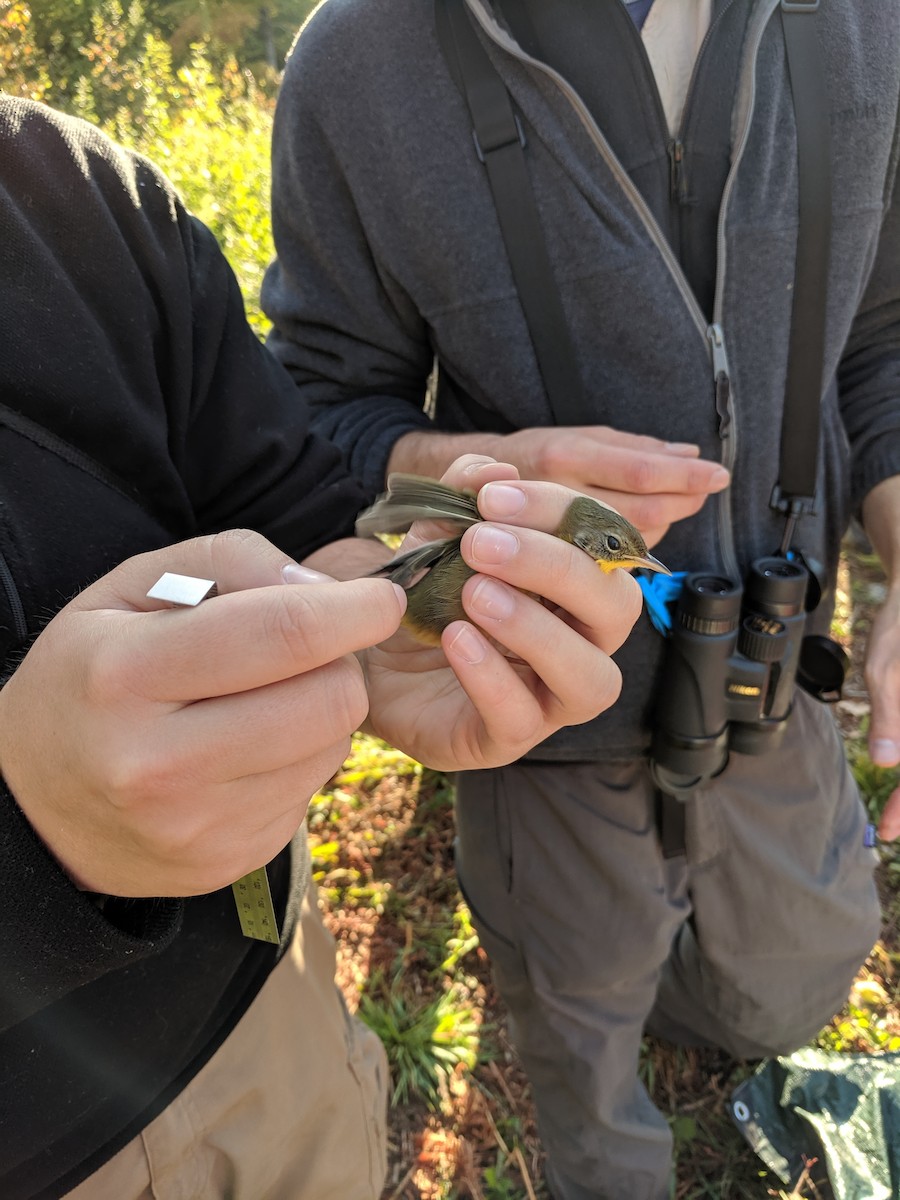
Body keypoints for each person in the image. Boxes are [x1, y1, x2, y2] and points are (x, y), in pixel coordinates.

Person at [261, 0, 900, 1195]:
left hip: (773, 657)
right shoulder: (359, 61)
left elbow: (880, 339)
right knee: (587, 1066)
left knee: (790, 988)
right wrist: (462, 479)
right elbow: (314, 406)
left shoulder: (875, 27)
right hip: (541, 712)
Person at [0, 93, 642, 1200]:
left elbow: (281, 493)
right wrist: (29, 849)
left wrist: (388, 587)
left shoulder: (69, 185)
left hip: (268, 1009)